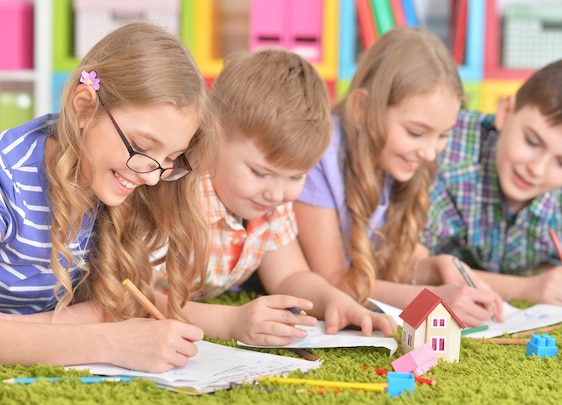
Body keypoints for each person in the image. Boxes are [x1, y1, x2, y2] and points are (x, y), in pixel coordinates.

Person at [0, 22, 214, 372]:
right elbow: (98, 322)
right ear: (84, 107)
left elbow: (111, 302)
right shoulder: (7, 179)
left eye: (172, 159)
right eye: (143, 147)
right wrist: (108, 341)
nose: (151, 175)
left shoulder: (117, 178)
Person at [153, 47, 397, 344]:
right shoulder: (173, 195)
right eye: (259, 172)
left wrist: (335, 301)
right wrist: (229, 321)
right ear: (212, 136)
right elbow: (136, 297)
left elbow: (289, 276)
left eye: (295, 177)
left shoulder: (269, 202)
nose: (277, 193)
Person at [293, 27, 504, 328]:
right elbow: (333, 280)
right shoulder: (320, 155)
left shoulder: (403, 161)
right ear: (363, 107)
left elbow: (402, 261)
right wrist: (428, 298)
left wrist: (439, 265)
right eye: (416, 132)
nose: (430, 152)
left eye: (443, 135)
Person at [420, 57, 562, 307]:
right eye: (532, 142)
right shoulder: (445, 147)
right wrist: (525, 287)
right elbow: (409, 266)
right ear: (506, 112)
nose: (536, 169)